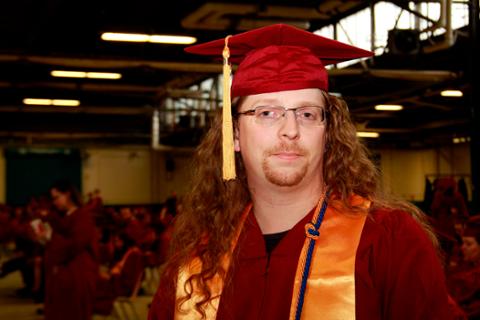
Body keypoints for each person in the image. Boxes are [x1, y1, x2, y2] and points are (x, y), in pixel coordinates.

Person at [148, 24, 453, 319]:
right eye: (267, 113)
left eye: (307, 113)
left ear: (328, 131)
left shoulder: (388, 241)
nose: (290, 130)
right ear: (235, 134)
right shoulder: (197, 261)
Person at [41, 180, 99, 320]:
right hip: (66, 274)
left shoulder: (82, 216)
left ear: (68, 194)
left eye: (57, 197)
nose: (54, 202)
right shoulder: (65, 217)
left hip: (78, 276)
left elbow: (75, 244)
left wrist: (50, 238)